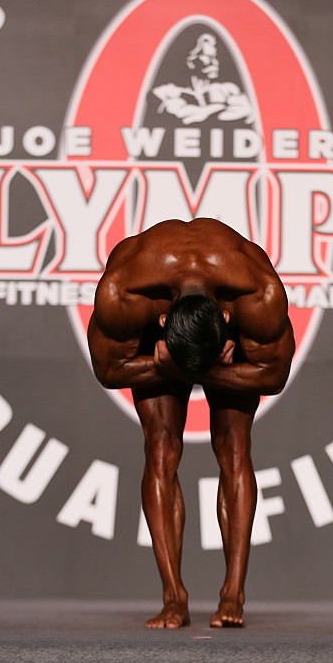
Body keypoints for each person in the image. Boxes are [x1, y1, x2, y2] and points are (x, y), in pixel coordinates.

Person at [88, 218, 295, 628]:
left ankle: (233, 593)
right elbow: (108, 371)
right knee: (160, 448)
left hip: (220, 343)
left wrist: (205, 369)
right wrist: (172, 367)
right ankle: (173, 598)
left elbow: (274, 377)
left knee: (234, 447)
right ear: (163, 321)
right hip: (160, 344)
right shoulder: (123, 293)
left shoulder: (258, 294)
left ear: (226, 317)